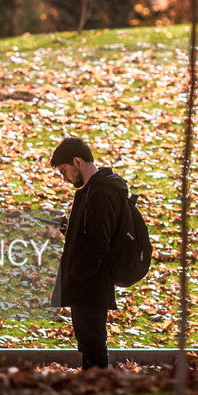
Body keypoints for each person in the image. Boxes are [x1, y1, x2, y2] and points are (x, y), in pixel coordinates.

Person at [49, 136, 128, 370]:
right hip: (89, 282)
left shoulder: (101, 192)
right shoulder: (94, 190)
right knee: (88, 344)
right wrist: (69, 228)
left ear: (77, 162)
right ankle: (94, 391)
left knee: (93, 345)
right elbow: (92, 232)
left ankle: (98, 393)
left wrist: (76, 273)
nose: (65, 178)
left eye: (65, 170)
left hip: (92, 284)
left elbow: (99, 242)